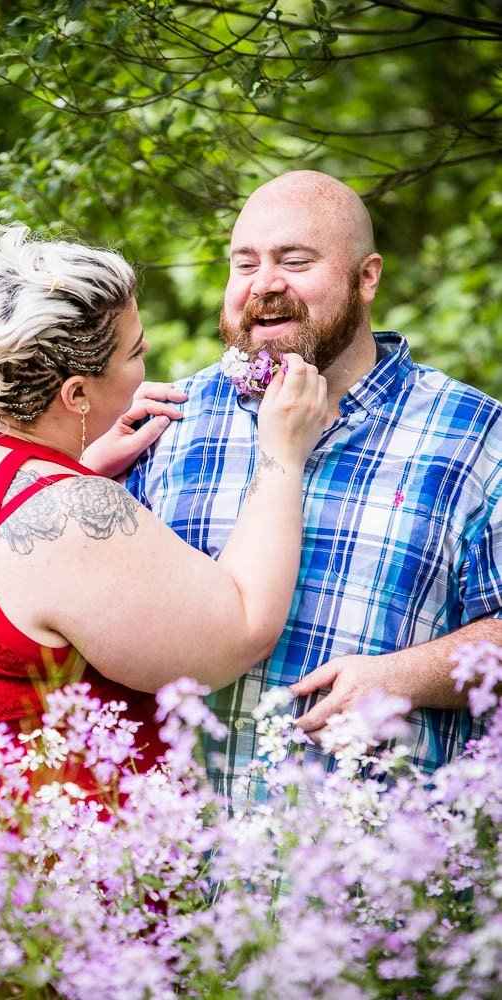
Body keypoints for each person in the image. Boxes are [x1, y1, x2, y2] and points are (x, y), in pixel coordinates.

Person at [0, 223, 327, 818]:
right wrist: (282, 451)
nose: (146, 364)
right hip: (3, 877)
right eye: (135, 352)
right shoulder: (70, 514)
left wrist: (79, 456)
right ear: (74, 393)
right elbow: (241, 630)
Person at [127, 170, 502, 799]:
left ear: (367, 277)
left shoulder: (474, 438)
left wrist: (404, 676)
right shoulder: (167, 421)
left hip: (375, 874)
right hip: (175, 878)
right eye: (244, 263)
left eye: (295, 260)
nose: (264, 284)